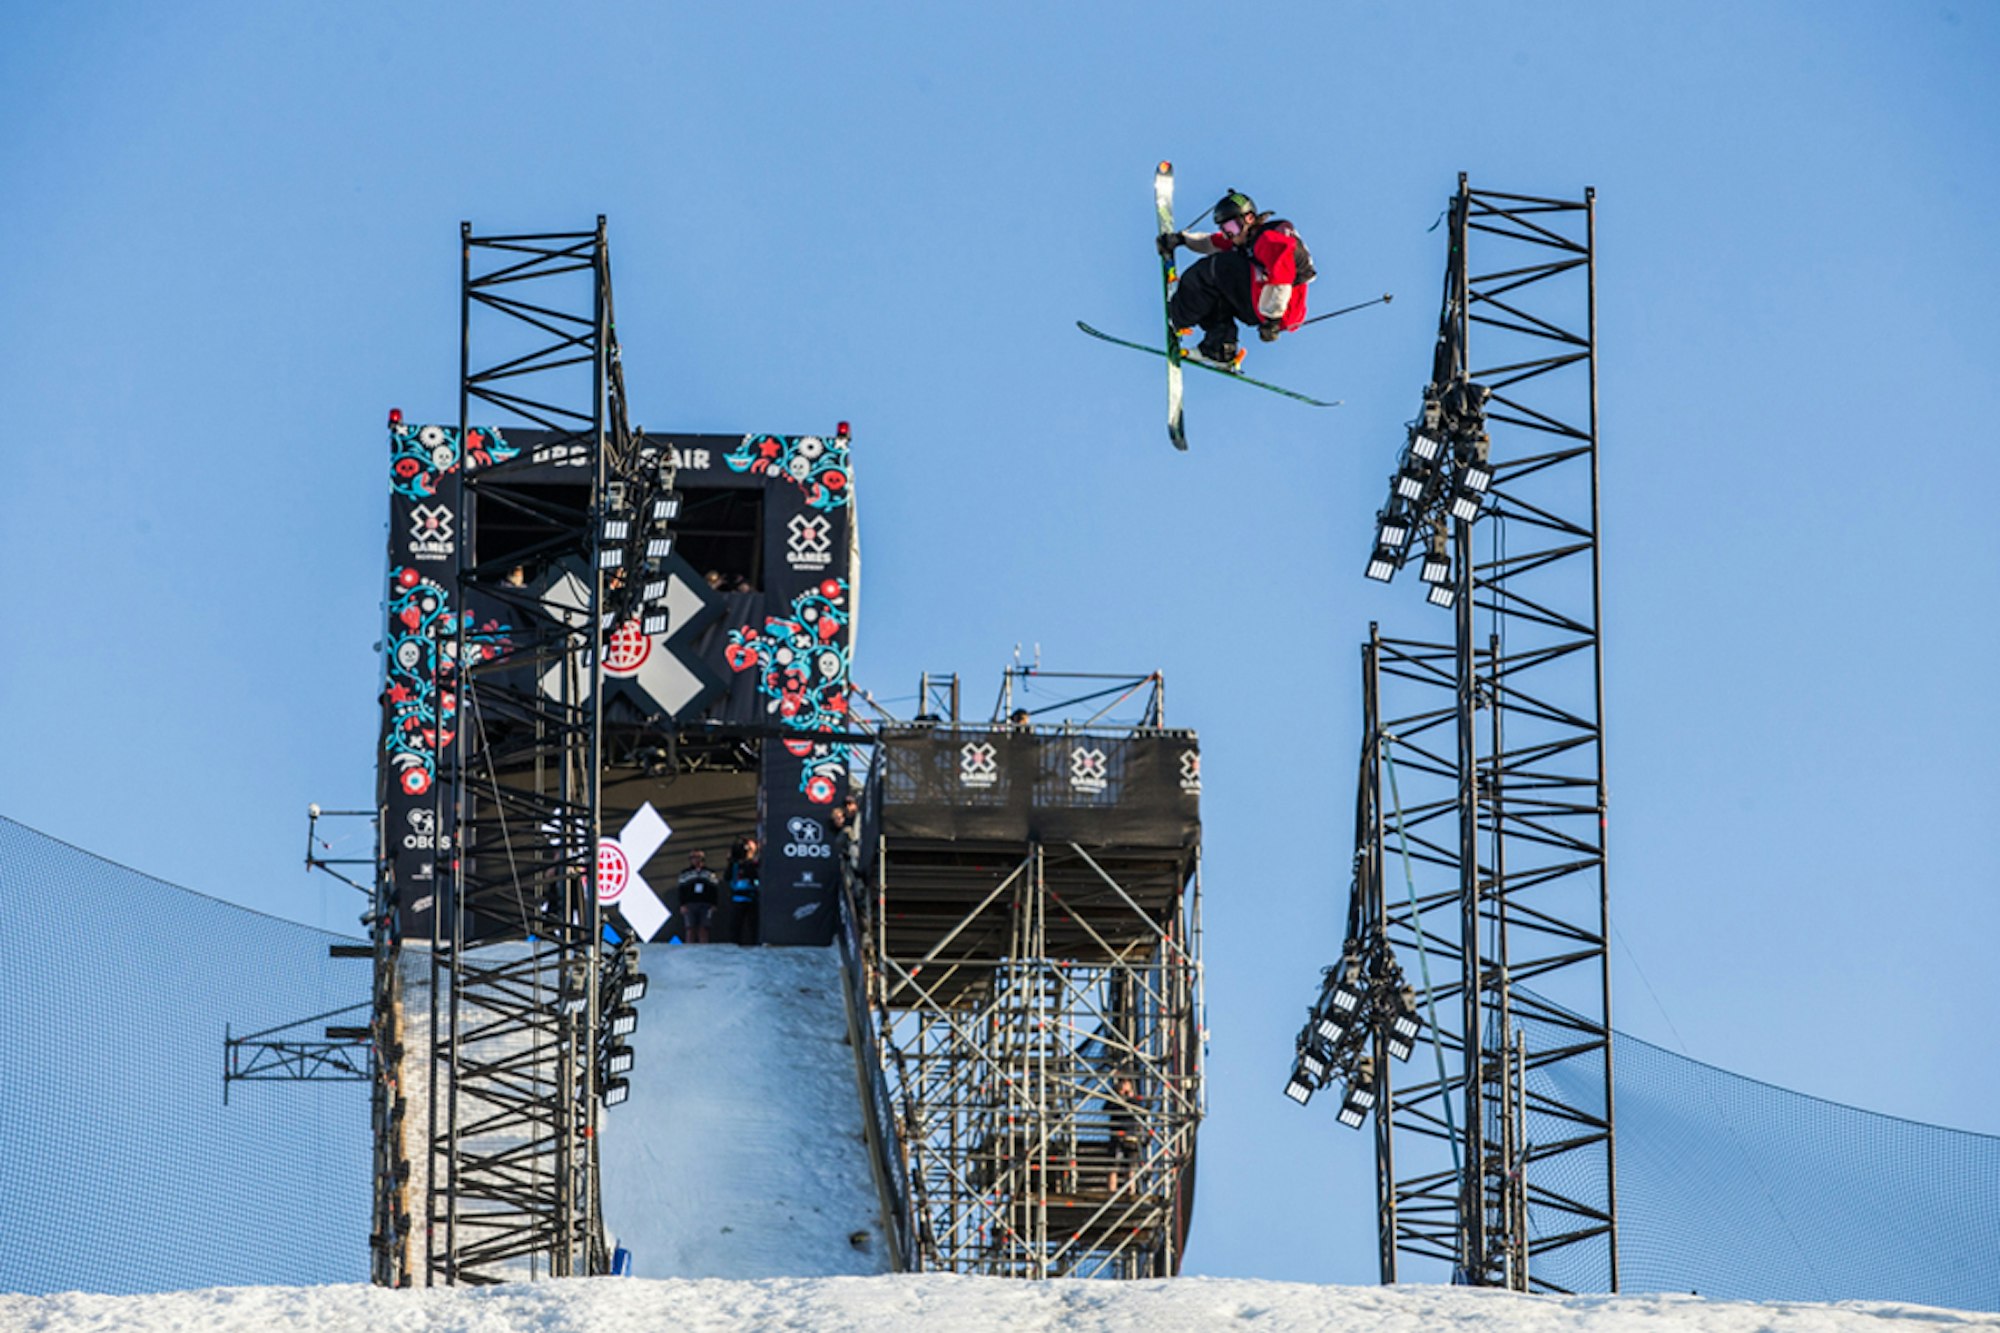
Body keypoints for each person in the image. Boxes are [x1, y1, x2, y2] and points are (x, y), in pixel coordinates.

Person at [1157, 189, 1315, 368]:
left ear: (1249, 218)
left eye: (1231, 228)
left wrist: (1273, 319)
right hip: (1266, 304)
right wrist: (1182, 239)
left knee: (1216, 268)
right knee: (1218, 286)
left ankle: (1179, 312)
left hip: (1279, 307)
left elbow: (1282, 276)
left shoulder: (1268, 240)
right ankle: (1219, 349)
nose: (1228, 234)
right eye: (1224, 229)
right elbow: (1213, 242)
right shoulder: (1249, 238)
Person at [676, 848, 721, 944]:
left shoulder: (709, 873)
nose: (696, 860)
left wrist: (714, 904)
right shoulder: (685, 873)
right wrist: (682, 905)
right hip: (690, 904)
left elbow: (714, 889)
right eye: (693, 857)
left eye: (699, 857)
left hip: (706, 904)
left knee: (704, 928)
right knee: (690, 928)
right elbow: (681, 890)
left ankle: (703, 948)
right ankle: (689, 948)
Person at [726, 836, 761, 947]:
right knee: (735, 925)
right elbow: (727, 877)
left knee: (754, 925)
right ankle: (735, 945)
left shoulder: (755, 864)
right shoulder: (735, 865)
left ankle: (755, 944)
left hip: (752, 898)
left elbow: (756, 876)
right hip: (738, 898)